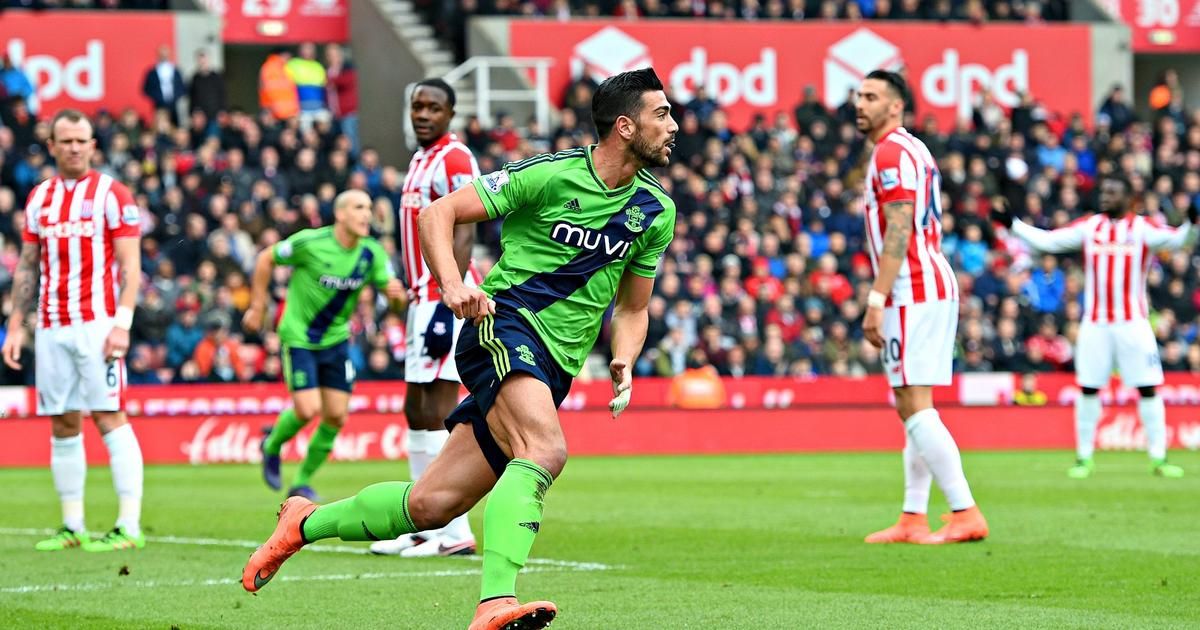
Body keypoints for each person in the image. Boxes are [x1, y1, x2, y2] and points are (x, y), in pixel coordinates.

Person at [242, 67, 678, 630]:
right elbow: (438, 213)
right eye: (661, 114)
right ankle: (495, 602)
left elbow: (633, 308)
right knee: (544, 451)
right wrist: (453, 284)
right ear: (624, 126)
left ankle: (302, 523)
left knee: (430, 506)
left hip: (557, 364)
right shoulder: (549, 176)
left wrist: (625, 355)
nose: (673, 126)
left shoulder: (655, 211)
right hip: (503, 325)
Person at [1, 109, 146, 552]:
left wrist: (122, 324)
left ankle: (128, 525)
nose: (75, 148)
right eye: (66, 141)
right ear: (52, 146)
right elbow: (28, 265)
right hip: (50, 325)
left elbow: (131, 268)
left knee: (108, 415)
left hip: (97, 325)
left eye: (82, 140)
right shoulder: (40, 198)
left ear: (93, 145)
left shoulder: (111, 193)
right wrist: (15, 326)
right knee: (62, 422)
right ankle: (73, 525)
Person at [856, 70, 988, 545]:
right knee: (913, 402)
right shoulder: (910, 148)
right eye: (858, 95)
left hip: (914, 288)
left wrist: (876, 298)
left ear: (895, 106)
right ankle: (913, 516)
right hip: (927, 283)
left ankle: (965, 511)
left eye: (871, 96)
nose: (860, 103)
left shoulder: (891, 151)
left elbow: (899, 225)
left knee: (912, 403)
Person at [994, 177, 1196, 479]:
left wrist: (1193, 224)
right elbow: (1049, 241)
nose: (1105, 195)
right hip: (1096, 323)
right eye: (1103, 191)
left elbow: (1182, 240)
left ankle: (1158, 458)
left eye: (1113, 191)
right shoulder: (1091, 226)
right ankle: (1084, 458)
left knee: (1148, 387)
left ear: (1129, 198)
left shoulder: (1142, 228)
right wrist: (1013, 224)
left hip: (1133, 323)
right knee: (1088, 388)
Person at [368, 78, 482, 559]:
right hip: (421, 296)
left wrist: (446, 294)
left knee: (438, 408)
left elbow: (465, 225)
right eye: (417, 106)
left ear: (451, 114)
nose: (423, 114)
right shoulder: (420, 160)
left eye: (434, 108)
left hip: (445, 297)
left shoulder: (455, 158)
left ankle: (454, 532)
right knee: (415, 410)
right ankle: (423, 522)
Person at [245, 190, 405, 500]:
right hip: (299, 337)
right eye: (359, 208)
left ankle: (301, 481)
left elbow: (395, 302)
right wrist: (258, 306)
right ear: (340, 214)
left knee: (335, 416)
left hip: (336, 341)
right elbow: (266, 258)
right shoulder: (311, 243)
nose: (366, 214)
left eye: (369, 208)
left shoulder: (372, 253)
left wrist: (397, 297)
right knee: (307, 409)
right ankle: (272, 445)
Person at [142, 45, 185, 126]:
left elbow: (182, 87)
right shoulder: (152, 72)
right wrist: (158, 97)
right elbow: (145, 89)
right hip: (158, 106)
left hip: (173, 106)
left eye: (166, 54)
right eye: (162, 54)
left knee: (174, 127)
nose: (164, 56)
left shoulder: (175, 70)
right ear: (158, 55)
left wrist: (175, 97)